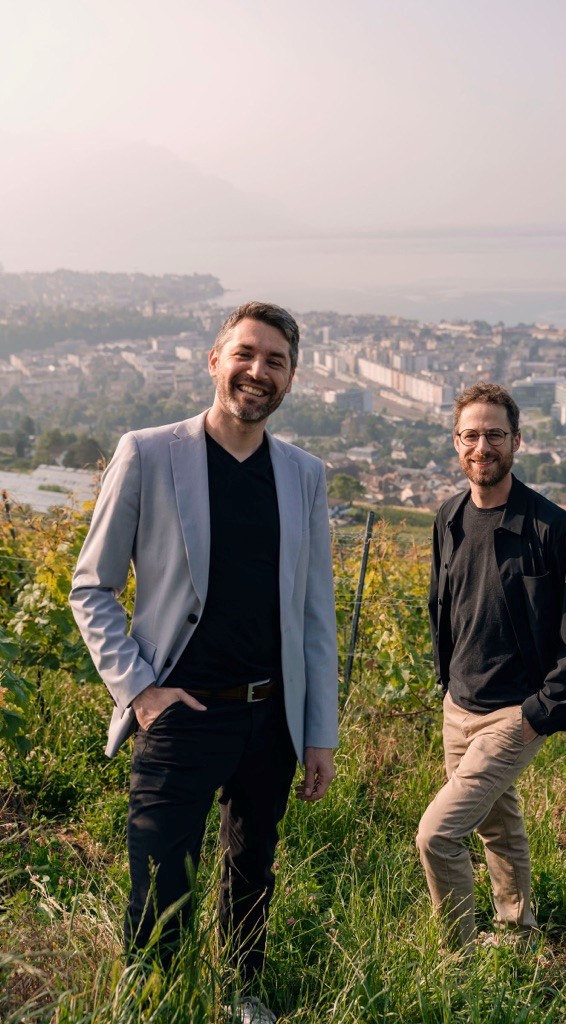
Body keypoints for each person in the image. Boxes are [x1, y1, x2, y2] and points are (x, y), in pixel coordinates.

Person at [70, 301, 338, 1023]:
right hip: (179, 713)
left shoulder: (305, 474)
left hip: (270, 716)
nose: (258, 371)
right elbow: (90, 588)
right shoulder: (149, 452)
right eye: (246, 354)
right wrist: (142, 692)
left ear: (291, 378)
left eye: (275, 361)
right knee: (161, 883)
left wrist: (319, 733)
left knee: (251, 872)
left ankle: (243, 995)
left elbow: (315, 616)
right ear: (215, 360)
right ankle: (153, 1004)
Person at [416, 381, 566, 953]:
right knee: (498, 824)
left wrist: (537, 713)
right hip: (459, 705)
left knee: (438, 836)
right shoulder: (448, 517)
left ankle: (457, 955)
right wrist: (446, 684)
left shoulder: (553, 529)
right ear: (456, 443)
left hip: (513, 713)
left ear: (516, 440)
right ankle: (518, 938)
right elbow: (441, 606)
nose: (482, 446)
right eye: (470, 435)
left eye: (494, 434)